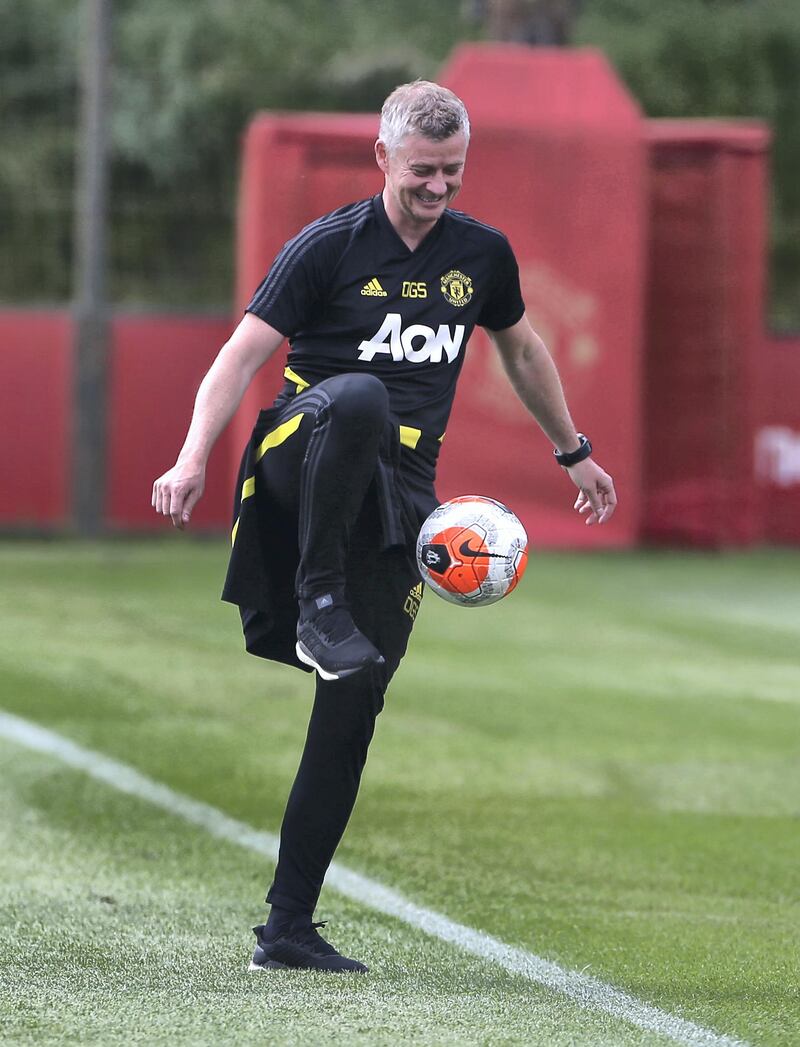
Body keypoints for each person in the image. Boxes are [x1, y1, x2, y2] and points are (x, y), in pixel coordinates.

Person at [152, 80, 616, 974]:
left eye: (452, 172)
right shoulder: (328, 245)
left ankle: (287, 927)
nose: (438, 188)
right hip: (301, 452)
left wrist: (574, 451)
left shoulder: (482, 255)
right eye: (421, 172)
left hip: (398, 499)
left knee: (353, 702)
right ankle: (316, 594)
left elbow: (520, 346)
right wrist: (191, 456)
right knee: (359, 398)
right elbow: (241, 353)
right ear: (382, 159)